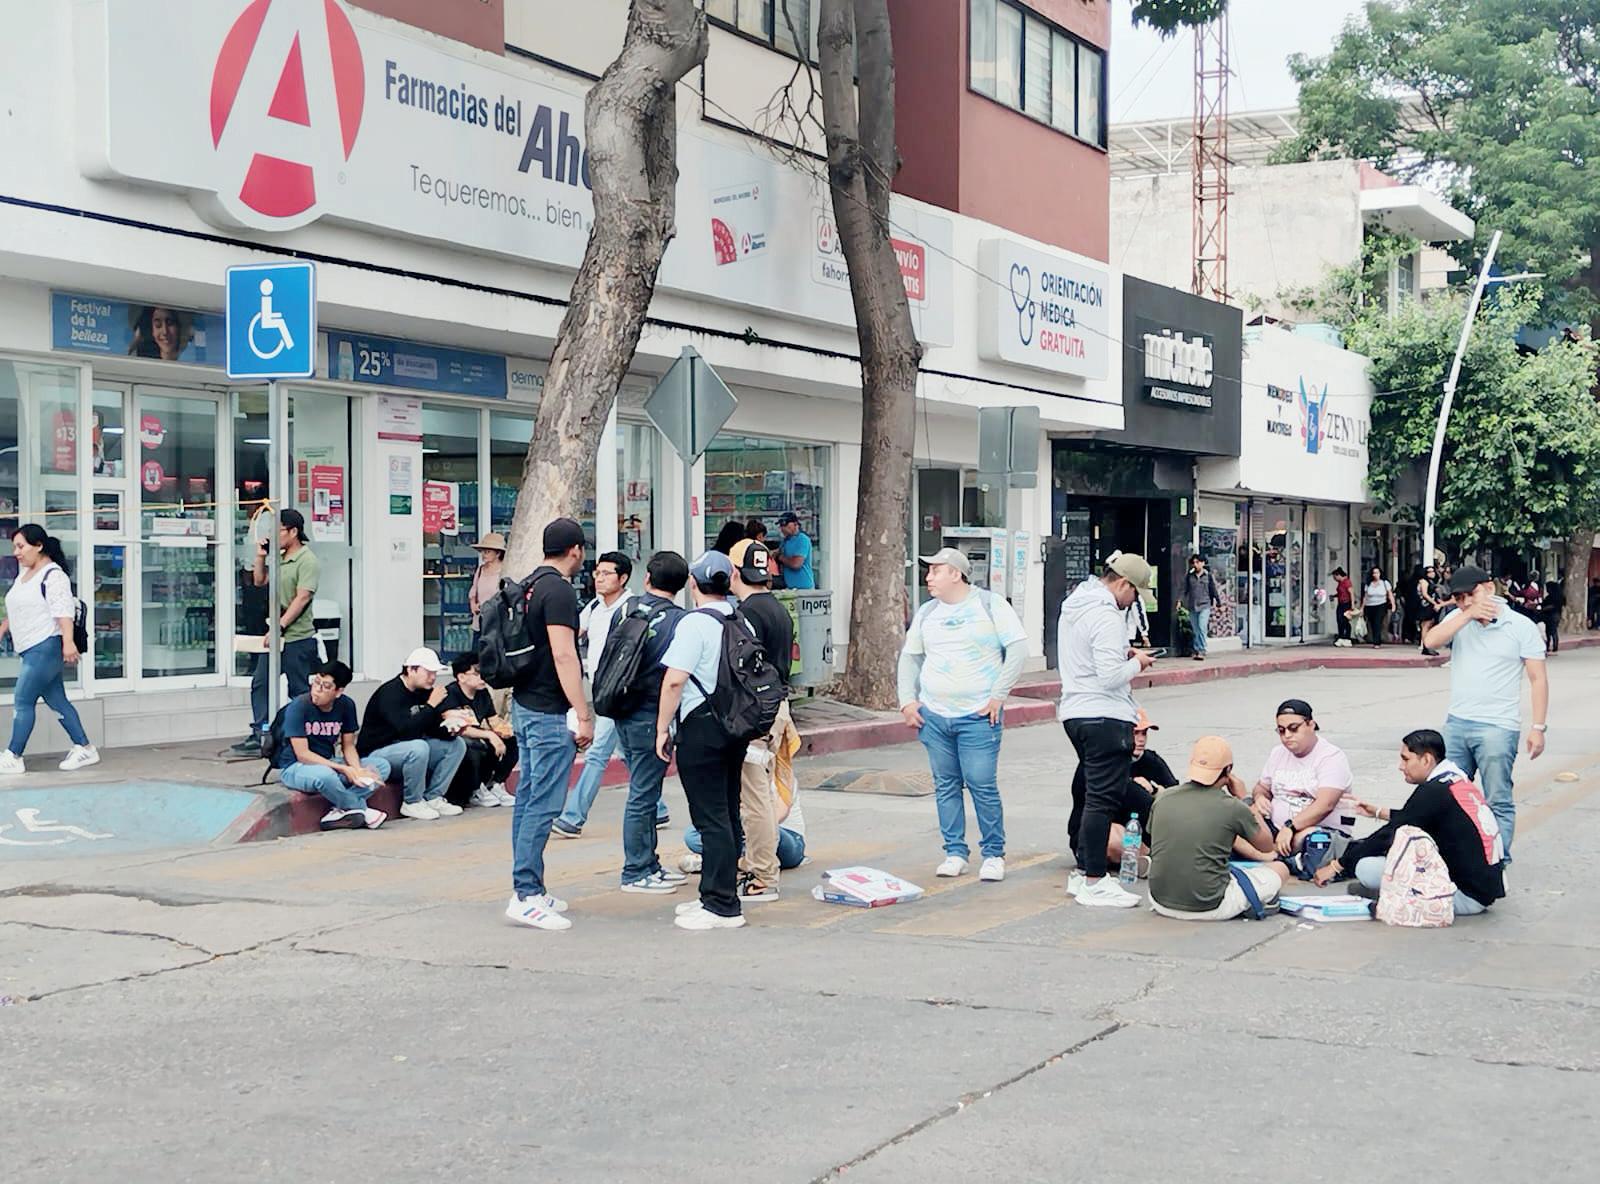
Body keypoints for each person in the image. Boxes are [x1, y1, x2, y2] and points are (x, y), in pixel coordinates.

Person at [897, 547, 1026, 883]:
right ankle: (954, 852)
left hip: (978, 715)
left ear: (956, 573)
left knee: (981, 784)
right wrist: (907, 701)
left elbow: (1017, 649)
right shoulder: (927, 612)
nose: (928, 578)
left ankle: (993, 854)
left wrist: (998, 696)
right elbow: (910, 657)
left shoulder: (990, 605)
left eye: (935, 571)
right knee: (946, 785)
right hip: (935, 715)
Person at [656, 551, 756, 930]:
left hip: (701, 726)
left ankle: (721, 905)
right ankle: (718, 894)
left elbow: (674, 680)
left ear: (693, 583)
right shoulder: (740, 618)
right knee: (727, 813)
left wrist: (662, 728)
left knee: (710, 818)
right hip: (734, 725)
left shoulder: (694, 623)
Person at [1421, 565, 1547, 859]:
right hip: (1457, 723)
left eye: (1471, 594)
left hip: (1498, 727)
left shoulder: (1520, 626)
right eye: (1459, 597)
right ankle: (1452, 859)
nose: (1465, 601)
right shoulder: (1459, 618)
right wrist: (1466, 614)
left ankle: (1496, 861)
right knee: (1446, 794)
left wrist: (1538, 728)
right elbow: (1430, 641)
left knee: (1497, 800)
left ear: (1489, 588)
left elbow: (1538, 679)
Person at [1059, 551, 1160, 908]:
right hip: (1104, 715)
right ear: (1123, 584)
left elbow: (1090, 659)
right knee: (1102, 801)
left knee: (1092, 796)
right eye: (1134, 594)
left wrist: (1122, 655)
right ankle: (1095, 880)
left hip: (1076, 712)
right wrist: (1137, 662)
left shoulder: (1075, 605)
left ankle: (1084, 872)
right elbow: (1109, 676)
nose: (1133, 602)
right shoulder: (1106, 615)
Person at [506, 517, 593, 932]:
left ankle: (531, 886)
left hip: (524, 703)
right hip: (547, 710)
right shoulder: (558, 590)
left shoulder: (528, 585)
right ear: (575, 550)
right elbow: (563, 654)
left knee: (528, 798)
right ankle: (525, 894)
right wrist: (583, 712)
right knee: (543, 802)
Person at [1313, 728, 1505, 915]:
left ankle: (1397, 897)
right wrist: (1378, 812)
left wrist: (1337, 866)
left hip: (1462, 897)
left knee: (1366, 867)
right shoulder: (1454, 780)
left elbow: (1388, 834)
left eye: (1406, 759)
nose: (1401, 766)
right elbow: (1419, 816)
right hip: (1483, 890)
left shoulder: (1433, 791)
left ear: (1426, 759)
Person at [613, 551, 691, 895]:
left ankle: (649, 864)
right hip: (652, 714)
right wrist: (665, 726)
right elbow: (674, 678)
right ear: (683, 585)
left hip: (623, 708)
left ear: (647, 579)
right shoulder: (679, 621)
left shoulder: (627, 609)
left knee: (645, 791)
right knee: (643, 795)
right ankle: (635, 870)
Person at [1148, 736, 1290, 921]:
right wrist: (1245, 798)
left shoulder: (1164, 798)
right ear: (1228, 770)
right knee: (1280, 868)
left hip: (1160, 900)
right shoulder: (1232, 806)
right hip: (1210, 905)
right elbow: (1266, 845)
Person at [725, 538, 796, 901]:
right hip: (776, 707)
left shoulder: (746, 615)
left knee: (754, 798)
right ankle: (755, 862)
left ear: (734, 572)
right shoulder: (778, 608)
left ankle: (764, 875)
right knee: (760, 794)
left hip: (756, 713)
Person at [551, 551, 638, 838]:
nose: (599, 578)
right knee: (626, 753)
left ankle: (572, 818)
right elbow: (574, 632)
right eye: (597, 573)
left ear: (623, 578)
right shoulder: (595, 606)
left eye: (606, 573)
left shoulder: (631, 609)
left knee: (598, 752)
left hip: (620, 693)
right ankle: (658, 807)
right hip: (601, 689)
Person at [0, 524, 98, 774]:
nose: (16, 552)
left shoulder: (53, 576)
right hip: (30, 648)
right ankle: (85, 747)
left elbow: (63, 611)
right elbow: (18, 608)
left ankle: (13, 755)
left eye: (21, 546)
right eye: (15, 547)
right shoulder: (24, 576)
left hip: (45, 646)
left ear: (39, 546)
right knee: (57, 701)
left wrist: (68, 642)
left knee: (23, 699)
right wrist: (2, 629)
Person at [233, 509, 320, 756]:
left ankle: (303, 736)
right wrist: (260, 557)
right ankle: (261, 732)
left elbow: (302, 598)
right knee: (261, 683)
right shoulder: (280, 558)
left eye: (278, 531)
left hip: (296, 636)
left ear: (293, 532)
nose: (274, 535)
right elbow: (259, 581)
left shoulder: (307, 560)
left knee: (298, 690)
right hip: (275, 635)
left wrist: (280, 625)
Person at [356, 647, 467, 821]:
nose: (433, 677)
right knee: (418, 747)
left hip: (409, 750)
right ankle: (412, 801)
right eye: (428, 672)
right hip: (378, 753)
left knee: (457, 745)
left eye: (435, 673)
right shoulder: (390, 693)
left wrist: (452, 729)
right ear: (411, 670)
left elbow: (430, 727)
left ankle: (434, 797)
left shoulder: (423, 692)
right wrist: (431, 705)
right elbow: (406, 731)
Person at [276, 660, 389, 831]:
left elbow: (348, 746)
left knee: (381, 766)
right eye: (316, 682)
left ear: (338, 691)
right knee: (326, 776)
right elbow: (302, 754)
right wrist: (343, 769)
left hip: (329, 762)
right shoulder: (299, 706)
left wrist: (357, 770)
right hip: (296, 767)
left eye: (326, 686)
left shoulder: (346, 705)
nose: (317, 690)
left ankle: (340, 810)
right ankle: (361, 809)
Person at [1249, 698, 1356, 867]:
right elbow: (1261, 787)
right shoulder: (1278, 753)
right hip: (1276, 829)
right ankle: (1274, 857)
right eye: (1281, 731)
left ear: (1311, 725)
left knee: (1316, 842)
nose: (1287, 736)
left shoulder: (1331, 757)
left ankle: (1273, 857)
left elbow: (1325, 805)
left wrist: (1290, 827)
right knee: (1240, 813)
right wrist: (1260, 797)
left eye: (1293, 728)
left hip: (1316, 829)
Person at [1068, 709, 1176, 876]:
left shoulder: (1150, 760)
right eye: (1135, 733)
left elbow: (1175, 795)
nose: (1141, 739)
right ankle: (1146, 858)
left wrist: (1155, 789)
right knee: (1113, 836)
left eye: (1144, 733)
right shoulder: (1100, 763)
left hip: (1137, 831)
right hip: (1099, 831)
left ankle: (1150, 856)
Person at [441, 653, 518, 809]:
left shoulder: (482, 693)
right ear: (461, 677)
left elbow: (494, 720)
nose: (482, 678)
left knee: (513, 741)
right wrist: (490, 735)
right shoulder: (450, 693)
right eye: (476, 674)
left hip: (478, 733)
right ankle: (476, 789)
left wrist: (505, 731)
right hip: (456, 736)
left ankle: (495, 784)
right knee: (474, 746)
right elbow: (460, 729)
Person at [1181, 554, 1223, 661]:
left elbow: (1213, 589)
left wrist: (1218, 601)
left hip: (1204, 605)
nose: (1196, 565)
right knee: (1196, 629)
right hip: (1192, 605)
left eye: (1198, 562)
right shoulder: (1190, 576)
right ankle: (1196, 649)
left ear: (1203, 563)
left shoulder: (1208, 576)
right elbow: (1184, 589)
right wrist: (1179, 601)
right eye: (1194, 563)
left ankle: (1202, 649)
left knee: (1202, 626)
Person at [466, 532, 506, 640]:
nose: (484, 554)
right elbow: (473, 591)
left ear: (498, 554)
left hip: (497, 622)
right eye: (483, 551)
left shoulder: (504, 571)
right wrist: (473, 604)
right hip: (480, 620)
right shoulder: (480, 570)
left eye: (487, 552)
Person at [775, 512, 816, 590]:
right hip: (790, 588)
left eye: (785, 524)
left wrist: (780, 557)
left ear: (795, 524)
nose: (782, 528)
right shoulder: (785, 541)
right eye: (780, 525)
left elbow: (796, 564)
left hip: (804, 588)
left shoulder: (802, 539)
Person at [1361, 565, 1394, 648]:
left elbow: (1390, 594)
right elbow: (1365, 596)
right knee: (1372, 623)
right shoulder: (1369, 584)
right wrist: (1362, 608)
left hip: (1381, 605)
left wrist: (1393, 604)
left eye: (1377, 573)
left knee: (1377, 622)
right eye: (1374, 573)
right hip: (1370, 605)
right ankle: (1374, 638)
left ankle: (1377, 642)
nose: (1375, 575)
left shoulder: (1385, 583)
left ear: (1380, 574)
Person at [1542, 574, 1564, 655]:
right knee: (1551, 631)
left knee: (1551, 631)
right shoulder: (1558, 596)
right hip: (1554, 614)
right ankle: (1553, 646)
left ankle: (1552, 646)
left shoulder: (1553, 597)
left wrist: (1543, 609)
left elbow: (1552, 606)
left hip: (1552, 615)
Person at [1332, 567, 1354, 645]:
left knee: (1345, 620)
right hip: (1341, 603)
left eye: (1335, 577)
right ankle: (1341, 636)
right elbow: (1341, 593)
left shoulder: (1346, 582)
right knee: (1339, 619)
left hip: (1346, 603)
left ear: (1338, 575)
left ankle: (1347, 637)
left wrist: (1352, 605)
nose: (1334, 579)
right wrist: (1334, 596)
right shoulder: (1340, 583)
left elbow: (1351, 593)